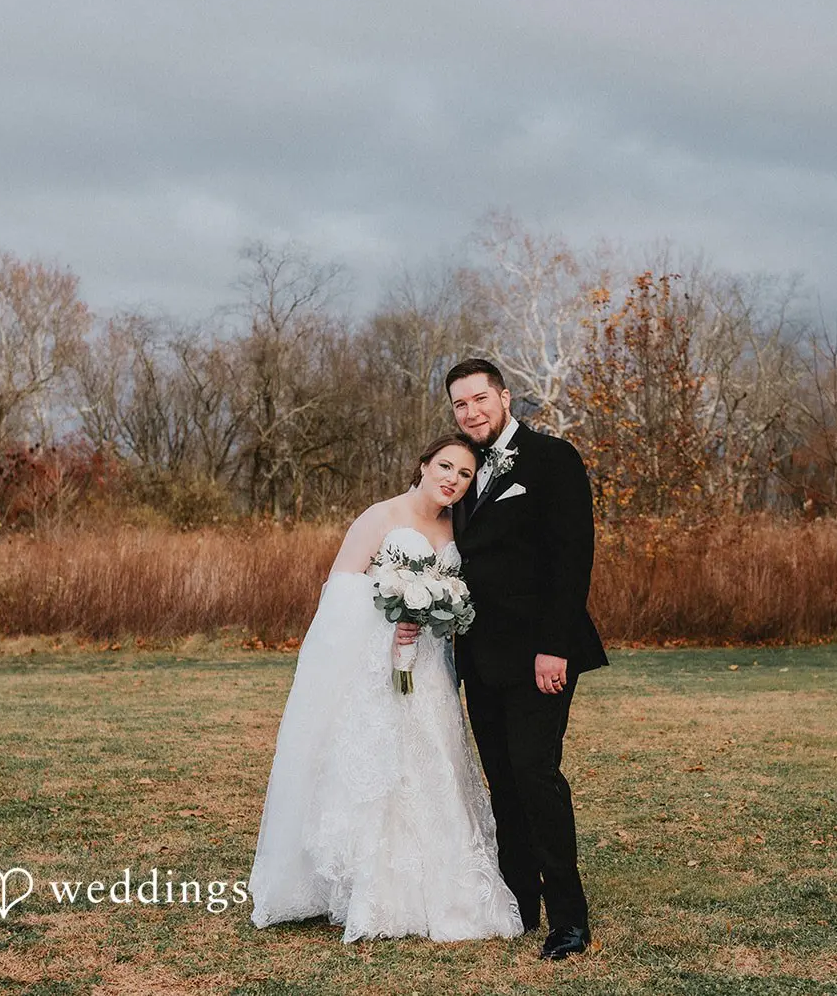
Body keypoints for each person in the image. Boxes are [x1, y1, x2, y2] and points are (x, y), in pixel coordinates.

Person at [247, 433, 524, 942]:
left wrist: (437, 613)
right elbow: (341, 590)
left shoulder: (455, 524)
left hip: (431, 671)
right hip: (376, 667)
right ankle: (365, 885)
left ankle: (436, 886)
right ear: (422, 464)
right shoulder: (381, 515)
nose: (452, 481)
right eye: (445, 467)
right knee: (378, 768)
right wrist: (391, 623)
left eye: (464, 475)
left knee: (429, 765)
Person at [398, 358, 609, 961]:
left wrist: (555, 646)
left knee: (535, 773)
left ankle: (569, 918)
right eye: (459, 405)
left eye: (479, 400)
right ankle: (520, 899)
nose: (470, 413)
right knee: (502, 783)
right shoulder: (461, 471)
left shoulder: (552, 460)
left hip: (542, 653)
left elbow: (573, 560)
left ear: (505, 397)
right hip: (479, 655)